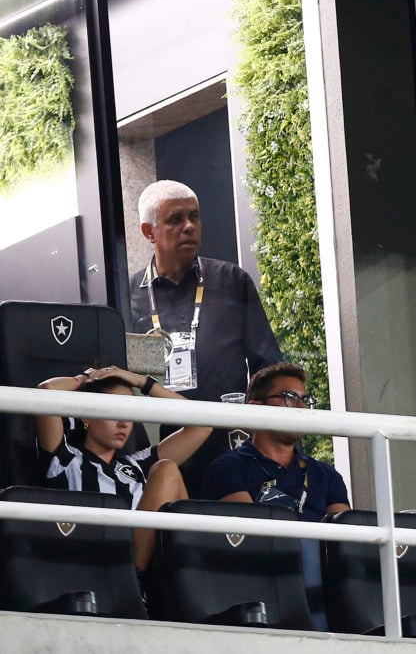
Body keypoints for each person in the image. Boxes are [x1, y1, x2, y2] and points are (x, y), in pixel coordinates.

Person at [128, 179, 283, 497]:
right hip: (162, 445)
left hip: (229, 442)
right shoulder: (127, 296)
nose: (189, 226)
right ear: (149, 232)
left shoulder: (230, 281)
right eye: (175, 219)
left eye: (194, 216)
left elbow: (268, 366)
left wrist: (272, 438)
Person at [202, 361, 349, 630]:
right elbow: (249, 541)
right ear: (256, 408)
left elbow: (347, 541)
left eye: (305, 400)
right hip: (260, 579)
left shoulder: (327, 474)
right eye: (290, 398)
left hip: (324, 583)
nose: (302, 408)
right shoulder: (227, 467)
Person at [35, 365, 212, 572]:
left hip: (150, 571)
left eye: (128, 412)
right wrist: (84, 378)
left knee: (166, 470)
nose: (123, 423)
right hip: (99, 568)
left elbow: (202, 424)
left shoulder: (136, 465)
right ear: (86, 416)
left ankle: (189, 580)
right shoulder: (66, 460)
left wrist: (140, 381)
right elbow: (46, 391)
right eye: (114, 411)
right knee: (166, 470)